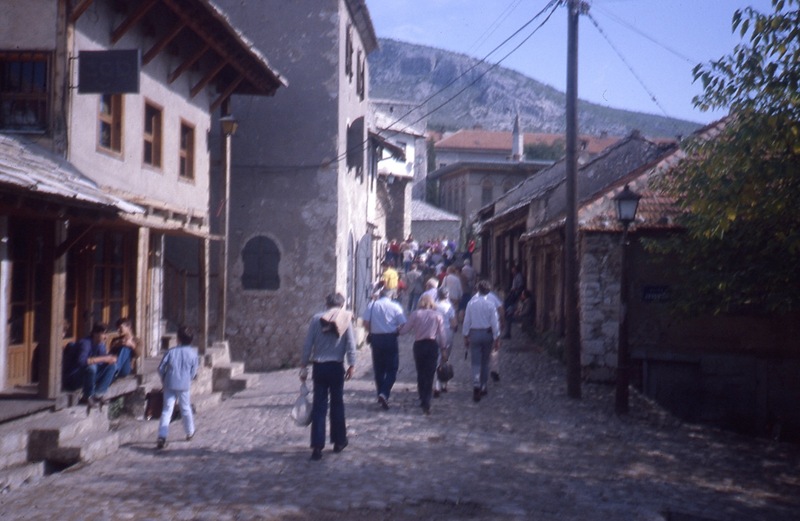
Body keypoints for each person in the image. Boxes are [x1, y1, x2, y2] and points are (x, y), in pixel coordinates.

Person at [300, 293, 356, 461]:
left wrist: (303, 364)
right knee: (337, 404)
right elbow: (350, 344)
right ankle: (339, 441)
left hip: (319, 366)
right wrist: (352, 364)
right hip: (336, 366)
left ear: (327, 304)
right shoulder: (346, 319)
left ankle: (317, 446)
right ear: (341, 305)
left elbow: (308, 343)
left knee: (319, 406)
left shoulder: (316, 319)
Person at [399, 294, 447, 415]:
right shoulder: (437, 315)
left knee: (420, 372)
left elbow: (405, 330)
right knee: (430, 373)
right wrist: (444, 348)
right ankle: (427, 400)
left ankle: (422, 396)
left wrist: (397, 329)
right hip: (432, 345)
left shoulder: (415, 314)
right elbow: (442, 334)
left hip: (419, 345)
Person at [362, 287, 407, 410]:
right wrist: (397, 330)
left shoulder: (372, 305)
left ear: (380, 295)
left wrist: (372, 330)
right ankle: (384, 392)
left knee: (379, 368)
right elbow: (403, 323)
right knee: (392, 368)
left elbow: (365, 323)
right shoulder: (395, 306)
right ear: (391, 295)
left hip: (376, 339)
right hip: (390, 338)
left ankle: (380, 393)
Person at [156, 325, 199, 449]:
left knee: (167, 410)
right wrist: (189, 378)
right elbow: (194, 372)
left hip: (169, 383)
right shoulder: (193, 354)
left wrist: (164, 378)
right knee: (185, 408)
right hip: (184, 385)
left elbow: (160, 368)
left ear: (178, 339)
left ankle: (162, 435)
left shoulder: (171, 352)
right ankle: (190, 432)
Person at [63, 322, 117, 410]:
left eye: (107, 334)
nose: (106, 337)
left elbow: (102, 361)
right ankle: (87, 396)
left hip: (87, 377)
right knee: (91, 368)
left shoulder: (100, 345)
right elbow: (82, 361)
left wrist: (110, 359)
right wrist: (104, 359)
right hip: (73, 378)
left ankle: (98, 394)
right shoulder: (85, 343)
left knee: (111, 366)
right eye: (103, 334)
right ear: (95, 334)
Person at [462, 280, 501, 402]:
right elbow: (495, 323)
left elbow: (467, 321)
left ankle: (476, 384)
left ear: (478, 290)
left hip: (474, 333)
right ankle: (483, 385)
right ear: (488, 291)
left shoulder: (471, 304)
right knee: (485, 362)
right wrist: (497, 338)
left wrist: (465, 335)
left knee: (475, 362)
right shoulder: (490, 305)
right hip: (487, 334)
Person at [434, 287, 458, 396]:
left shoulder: (434, 306)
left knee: (436, 358)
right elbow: (453, 323)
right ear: (447, 295)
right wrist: (455, 327)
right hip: (447, 332)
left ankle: (436, 384)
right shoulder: (449, 307)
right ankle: (443, 384)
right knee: (445, 357)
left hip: (434, 332)